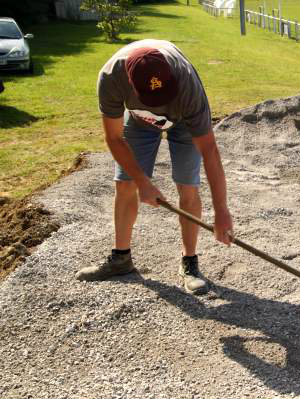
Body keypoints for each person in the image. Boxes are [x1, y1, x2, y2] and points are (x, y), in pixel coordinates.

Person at [76, 39, 233, 295]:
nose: (161, 106)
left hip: (184, 121)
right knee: (125, 182)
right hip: (139, 121)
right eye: (153, 99)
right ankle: (121, 259)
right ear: (131, 83)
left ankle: (189, 263)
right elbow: (114, 138)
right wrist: (142, 182)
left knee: (188, 185)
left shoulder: (187, 85)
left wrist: (222, 211)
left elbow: (209, 152)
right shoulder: (111, 77)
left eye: (163, 97)